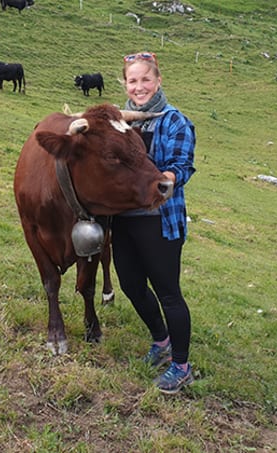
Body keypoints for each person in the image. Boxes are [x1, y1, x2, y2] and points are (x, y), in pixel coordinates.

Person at [112, 51, 196, 394]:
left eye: (146, 79)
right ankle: (161, 343)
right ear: (126, 84)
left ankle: (182, 366)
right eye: (133, 81)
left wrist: (166, 177)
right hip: (124, 219)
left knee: (168, 293)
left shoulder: (174, 120)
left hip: (159, 220)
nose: (140, 86)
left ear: (158, 81)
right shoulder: (118, 122)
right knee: (131, 285)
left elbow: (183, 165)